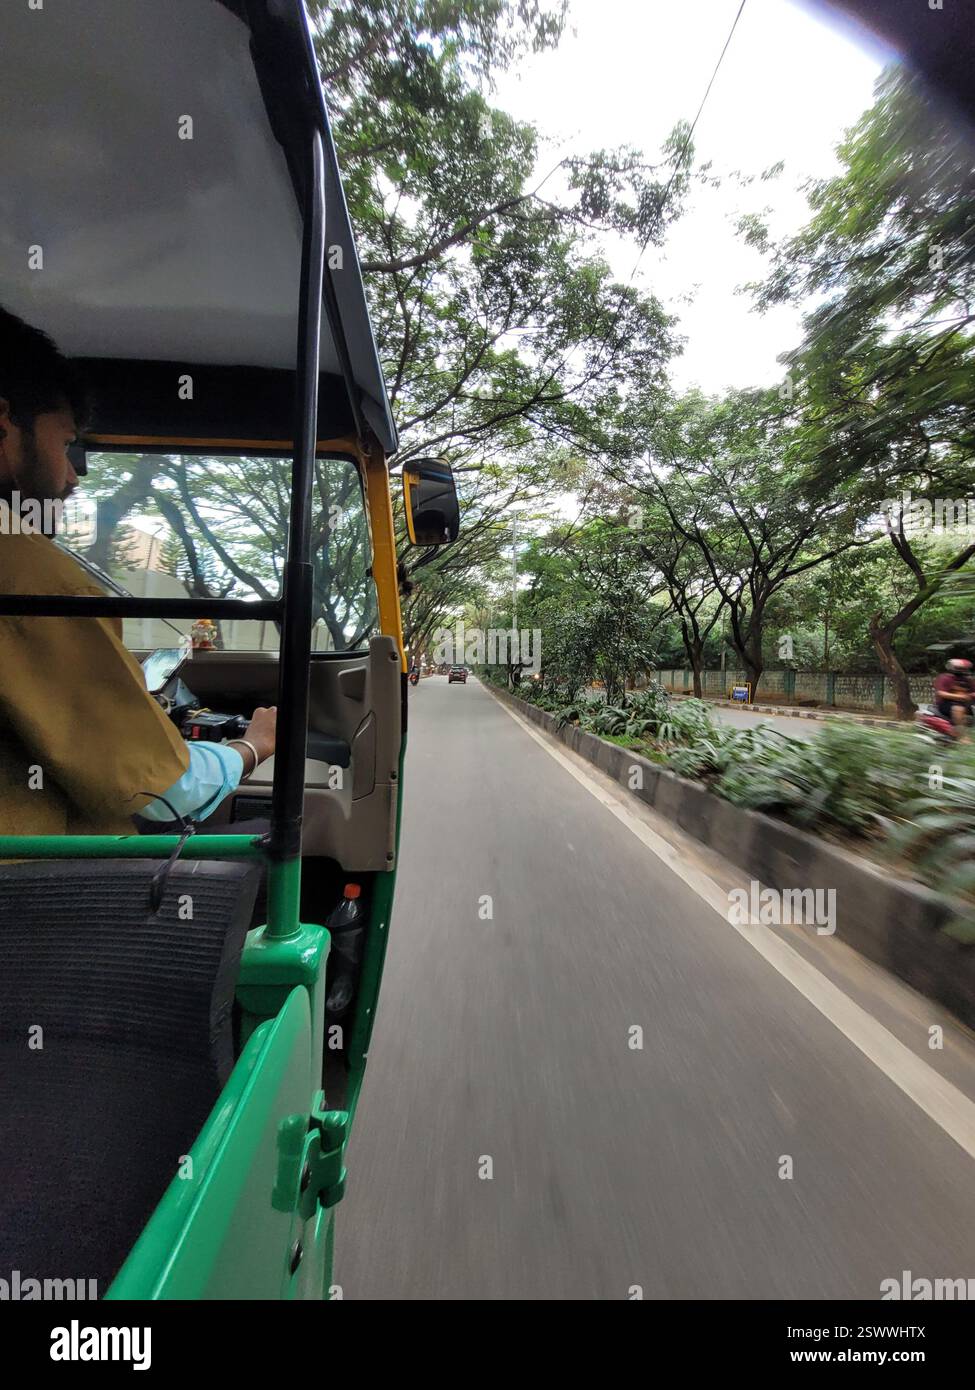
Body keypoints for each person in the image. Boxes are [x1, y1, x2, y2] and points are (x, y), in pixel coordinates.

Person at [0, 307, 276, 835]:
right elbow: (162, 793)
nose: (73, 479)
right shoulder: (37, 583)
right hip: (38, 898)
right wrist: (253, 745)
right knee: (261, 852)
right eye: (65, 444)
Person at [933, 657, 974, 742]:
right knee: (958, 709)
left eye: (963, 669)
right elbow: (941, 693)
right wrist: (960, 697)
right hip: (946, 703)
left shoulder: (968, 680)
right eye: (959, 668)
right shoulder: (944, 678)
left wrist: (969, 695)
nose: (962, 670)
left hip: (966, 703)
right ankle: (962, 737)